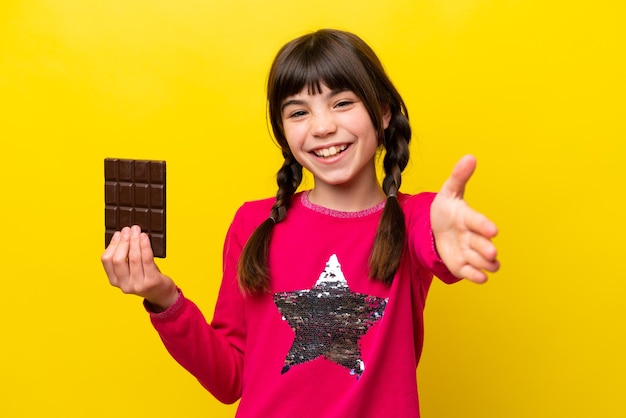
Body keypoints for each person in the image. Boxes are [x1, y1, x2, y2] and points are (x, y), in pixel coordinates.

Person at [101, 28, 499, 417]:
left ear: (382, 112)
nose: (322, 126)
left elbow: (434, 240)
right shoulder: (254, 223)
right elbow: (230, 380)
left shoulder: (413, 218)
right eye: (298, 112)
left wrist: (444, 234)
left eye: (342, 103)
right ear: (283, 131)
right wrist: (163, 298)